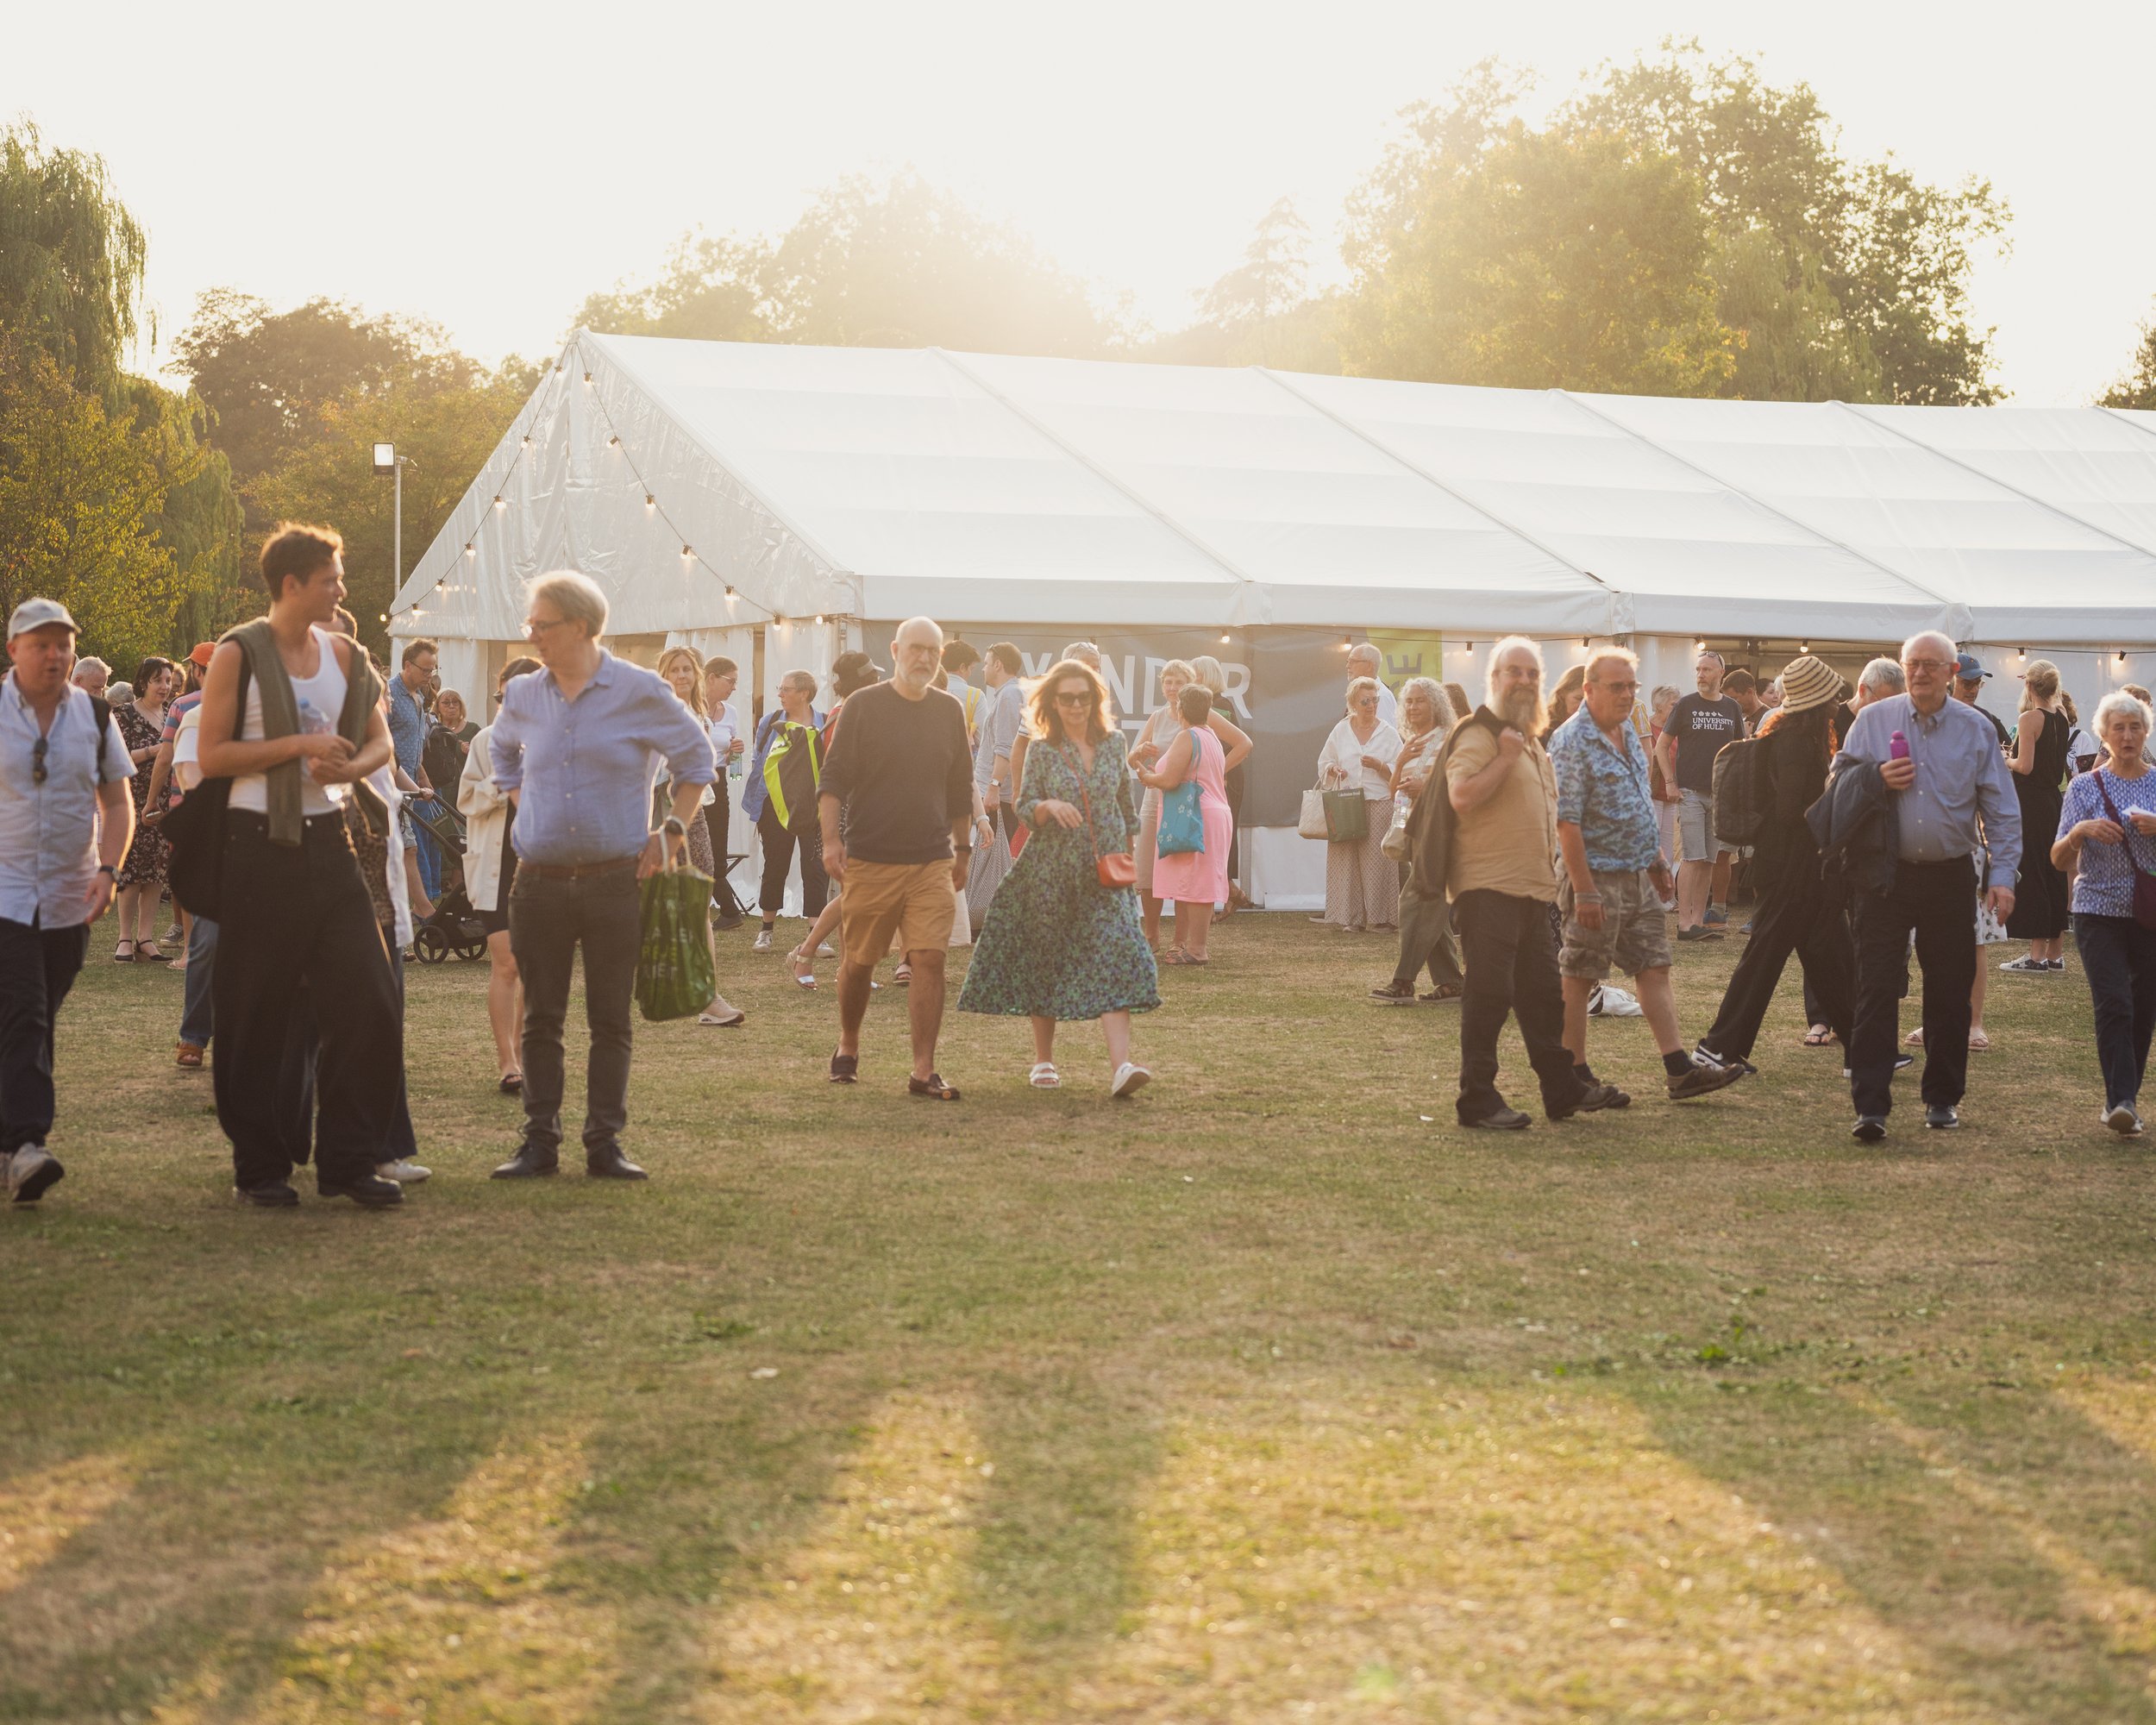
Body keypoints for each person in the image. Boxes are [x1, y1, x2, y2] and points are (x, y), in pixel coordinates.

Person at [194, 524, 404, 1208]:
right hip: (256, 845)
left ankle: (349, 1161)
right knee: (256, 1011)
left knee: (370, 999)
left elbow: (381, 743)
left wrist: (349, 762)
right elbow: (215, 755)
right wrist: (298, 744)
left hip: (330, 844)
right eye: (331, 578)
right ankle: (260, 1166)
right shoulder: (239, 652)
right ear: (293, 584)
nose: (341, 588)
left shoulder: (347, 653)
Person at [488, 571, 715, 1182]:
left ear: (581, 626)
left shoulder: (639, 690)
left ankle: (603, 1144)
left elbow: (698, 760)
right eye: (529, 624)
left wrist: (670, 831)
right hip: (536, 882)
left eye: (542, 624)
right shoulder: (524, 694)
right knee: (541, 1018)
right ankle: (539, 1142)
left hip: (616, 880)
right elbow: (501, 750)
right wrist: (519, 798)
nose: (531, 635)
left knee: (610, 1018)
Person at [1835, 630, 2021, 1141]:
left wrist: (2003, 878)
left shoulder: (1974, 728)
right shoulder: (1873, 720)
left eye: (1930, 665)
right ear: (1903, 667)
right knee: (1874, 986)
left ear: (1951, 673)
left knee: (1949, 989)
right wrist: (1876, 776)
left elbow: (2001, 809)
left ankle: (1942, 1097)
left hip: (1948, 873)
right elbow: (1836, 786)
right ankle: (1870, 1106)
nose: (1919, 672)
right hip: (1883, 873)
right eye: (1912, 663)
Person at [1551, 649, 1744, 1104]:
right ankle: (1572, 1077)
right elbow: (1567, 823)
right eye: (1616, 687)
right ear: (1589, 690)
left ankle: (1679, 1070)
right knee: (1581, 975)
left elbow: (1639, 804)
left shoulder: (1623, 733)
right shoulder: (1572, 739)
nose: (1626, 694)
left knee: (1654, 965)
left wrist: (1657, 862)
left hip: (1634, 872)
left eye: (1630, 687)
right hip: (1593, 875)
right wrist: (1583, 890)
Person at [960, 656, 1158, 1093]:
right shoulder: (1044, 749)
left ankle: (1121, 1066)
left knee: (1117, 953)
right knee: (1045, 959)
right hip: (1049, 871)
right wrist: (1047, 807)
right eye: (1067, 698)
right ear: (1052, 701)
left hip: (1104, 874)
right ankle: (1043, 1061)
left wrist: (1126, 851)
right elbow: (1026, 803)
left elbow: (1124, 804)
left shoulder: (1112, 743)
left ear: (1095, 699)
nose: (1076, 705)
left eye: (1083, 697)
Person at [1446, 637, 1620, 1128]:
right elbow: (1461, 796)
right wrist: (1502, 757)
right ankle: (1476, 1099)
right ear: (1495, 680)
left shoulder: (1527, 739)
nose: (1523, 681)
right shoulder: (1481, 734)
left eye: (1531, 674)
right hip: (1487, 888)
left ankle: (1561, 1088)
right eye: (1513, 672)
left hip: (1530, 891)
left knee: (1543, 996)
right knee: (1488, 995)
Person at [1, 599, 134, 1203]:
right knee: (25, 1010)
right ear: (15, 651)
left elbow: (118, 802)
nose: (55, 655)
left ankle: (8, 1143)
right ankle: (29, 1144)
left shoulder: (98, 717)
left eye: (64, 644)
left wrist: (109, 869)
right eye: (41, 644)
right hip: (3, 894)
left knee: (35, 1015)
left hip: (70, 894)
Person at [818, 618, 975, 1098]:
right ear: (895, 650)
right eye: (915, 649)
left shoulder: (948, 710)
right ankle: (848, 1041)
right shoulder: (863, 706)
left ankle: (923, 1070)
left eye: (932, 650)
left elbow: (958, 790)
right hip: (871, 857)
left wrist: (962, 849)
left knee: (929, 959)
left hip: (931, 859)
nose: (924, 658)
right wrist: (831, 842)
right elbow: (833, 781)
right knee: (861, 963)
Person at [1695, 656, 1857, 1073]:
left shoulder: (1792, 734)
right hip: (1794, 867)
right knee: (1768, 959)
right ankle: (1718, 1047)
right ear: (1816, 702)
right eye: (1832, 696)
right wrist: (1833, 804)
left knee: (1830, 955)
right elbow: (1789, 810)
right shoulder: (1796, 742)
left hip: (1795, 865)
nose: (1838, 701)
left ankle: (1866, 1048)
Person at [2053, 691, 2156, 1136]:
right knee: (2114, 1001)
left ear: (2146, 733)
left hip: (2149, 913)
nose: (2128, 736)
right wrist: (2080, 830)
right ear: (2104, 736)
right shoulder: (2083, 787)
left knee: (2144, 1006)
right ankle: (2121, 1101)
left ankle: (2124, 1097)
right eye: (2119, 728)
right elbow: (2057, 858)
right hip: (2097, 909)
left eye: (2135, 728)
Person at [784, 651, 896, 988]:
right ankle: (806, 953)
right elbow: (842, 770)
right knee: (856, 893)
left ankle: (849, 968)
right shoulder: (850, 713)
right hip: (852, 811)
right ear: (866, 681)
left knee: (856, 893)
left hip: (860, 810)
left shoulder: (847, 711)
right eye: (875, 677)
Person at [458, 656, 539, 1094]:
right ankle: (506, 1060)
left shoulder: (554, 739)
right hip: (496, 863)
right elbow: (467, 799)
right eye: (504, 694)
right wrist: (504, 783)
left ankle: (524, 1054)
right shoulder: (486, 741)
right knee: (505, 962)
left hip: (541, 864)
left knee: (530, 965)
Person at [655, 646, 746, 1027]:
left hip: (706, 799)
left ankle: (706, 993)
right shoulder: (656, 713)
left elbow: (729, 765)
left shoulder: (710, 715)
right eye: (674, 670)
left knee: (700, 888)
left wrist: (736, 761)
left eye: (686, 669)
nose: (681, 676)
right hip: (663, 808)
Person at [1133, 661, 1253, 949]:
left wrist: (1215, 770)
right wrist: (1139, 752)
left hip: (1190, 801)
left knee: (1185, 870)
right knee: (1148, 870)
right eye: (1167, 682)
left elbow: (1244, 744)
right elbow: (1132, 758)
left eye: (1178, 682)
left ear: (1190, 684)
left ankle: (1181, 940)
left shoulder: (1201, 714)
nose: (1172, 688)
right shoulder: (1158, 717)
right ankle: (1151, 935)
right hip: (1156, 801)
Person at [1369, 677, 1464, 1006]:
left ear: (1436, 704)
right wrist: (1398, 764)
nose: (1412, 706)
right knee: (1430, 906)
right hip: (1414, 830)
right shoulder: (1409, 741)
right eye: (1408, 701)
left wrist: (1427, 787)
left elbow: (1462, 784)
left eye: (1419, 700)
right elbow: (1395, 791)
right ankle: (1452, 983)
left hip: (1440, 830)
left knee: (1416, 901)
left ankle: (1403, 981)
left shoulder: (1450, 740)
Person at [1657, 650, 1744, 940]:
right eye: (1698, 669)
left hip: (1719, 794)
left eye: (1707, 669)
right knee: (1693, 858)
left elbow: (1740, 751)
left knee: (1709, 859)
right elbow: (1661, 745)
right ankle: (1684, 923)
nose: (1701, 674)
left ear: (1721, 672)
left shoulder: (1731, 707)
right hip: (1691, 792)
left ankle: (1697, 921)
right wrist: (1670, 782)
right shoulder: (1686, 705)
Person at [743, 668, 826, 954]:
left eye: (785, 689)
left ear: (803, 693)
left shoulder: (824, 723)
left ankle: (817, 933)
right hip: (773, 804)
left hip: (812, 806)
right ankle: (766, 931)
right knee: (775, 864)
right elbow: (758, 759)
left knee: (814, 866)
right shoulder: (770, 722)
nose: (780, 694)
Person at [2001, 658, 2071, 974]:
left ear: (2028, 685)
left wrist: (2006, 759)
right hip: (2053, 802)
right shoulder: (2062, 716)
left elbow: (2025, 766)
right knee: (2054, 872)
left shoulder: (2030, 718)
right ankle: (2055, 954)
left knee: (2036, 872)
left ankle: (2036, 956)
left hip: (2031, 803)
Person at [1315, 676, 1401, 931]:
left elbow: (1402, 769)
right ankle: (1350, 918)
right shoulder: (1341, 729)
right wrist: (1333, 769)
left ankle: (1381, 918)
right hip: (1346, 802)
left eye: (1374, 700)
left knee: (1379, 862)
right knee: (1346, 861)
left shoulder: (1388, 732)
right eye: (1365, 701)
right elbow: (1324, 761)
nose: (1371, 705)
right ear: (1354, 702)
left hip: (1378, 802)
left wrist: (1381, 766)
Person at [110, 656, 176, 962]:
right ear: (142, 682)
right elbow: (116, 756)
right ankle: (124, 938)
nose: (164, 686)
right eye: (158, 680)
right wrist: (154, 751)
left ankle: (145, 938)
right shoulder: (124, 714)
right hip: (133, 800)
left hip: (164, 802)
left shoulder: (171, 714)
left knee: (154, 873)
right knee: (132, 873)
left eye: (168, 680)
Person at [1188, 655, 1254, 913]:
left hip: (1226, 777)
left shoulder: (1220, 704)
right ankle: (1232, 891)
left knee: (1225, 835)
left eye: (1192, 673)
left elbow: (1231, 745)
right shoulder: (1206, 704)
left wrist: (1218, 771)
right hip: (1213, 777)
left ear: (1203, 676)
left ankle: (1229, 893)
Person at [967, 642, 1026, 925]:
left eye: (988, 663)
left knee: (997, 858)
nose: (984, 668)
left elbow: (1006, 747)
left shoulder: (1009, 695)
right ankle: (988, 916)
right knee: (992, 857)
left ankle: (992, 916)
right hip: (996, 792)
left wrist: (993, 786)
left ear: (1000, 664)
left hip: (999, 795)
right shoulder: (1007, 694)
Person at [388, 638, 444, 900]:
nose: (429, 675)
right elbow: (383, 743)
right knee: (407, 847)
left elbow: (415, 744)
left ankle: (421, 904)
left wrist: (423, 778)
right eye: (425, 670)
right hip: (391, 785)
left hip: (411, 783)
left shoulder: (420, 697)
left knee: (409, 846)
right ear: (408, 665)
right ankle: (422, 907)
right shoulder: (389, 695)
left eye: (433, 669)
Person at [701, 656, 749, 927]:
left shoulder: (729, 711)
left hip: (719, 781)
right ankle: (726, 909)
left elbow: (734, 767)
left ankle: (729, 912)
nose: (733, 687)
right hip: (691, 780)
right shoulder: (691, 707)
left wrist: (735, 753)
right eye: (730, 681)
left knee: (717, 846)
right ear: (711, 678)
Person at [1646, 684, 1682, 891]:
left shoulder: (1675, 729)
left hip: (1671, 794)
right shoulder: (1647, 728)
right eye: (1673, 705)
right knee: (1654, 842)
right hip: (1653, 792)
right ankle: (1651, 891)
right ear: (1659, 706)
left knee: (1668, 844)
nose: (1677, 709)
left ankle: (1665, 892)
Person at [421, 688, 476, 794]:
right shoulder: (433, 731)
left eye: (455, 702)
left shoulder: (473, 729)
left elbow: (486, 759)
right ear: (438, 707)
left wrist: (471, 753)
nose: (451, 706)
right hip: (441, 789)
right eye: (446, 703)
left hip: (467, 790)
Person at [1953, 653, 2012, 748]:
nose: (1974, 690)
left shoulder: (1987, 719)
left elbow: (2008, 752)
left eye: (1978, 683)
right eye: (1967, 684)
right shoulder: (1930, 719)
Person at [1344, 643, 1399, 727]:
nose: (1347, 666)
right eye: (1348, 661)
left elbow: (1384, 735)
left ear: (1369, 665)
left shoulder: (1381, 696)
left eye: (1353, 661)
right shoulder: (1361, 693)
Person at [942, 640, 983, 741]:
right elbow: (982, 739)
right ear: (963, 667)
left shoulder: (926, 691)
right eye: (971, 669)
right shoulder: (976, 696)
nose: (970, 673)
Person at [1540, 663, 1586, 743]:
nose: (1584, 705)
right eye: (1579, 699)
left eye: (1589, 700)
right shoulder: (1545, 727)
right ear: (1562, 694)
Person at [1723, 668, 1764, 735]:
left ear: (1749, 692)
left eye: (1734, 699)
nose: (1730, 704)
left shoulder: (1768, 718)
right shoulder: (1740, 719)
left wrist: (1745, 737)